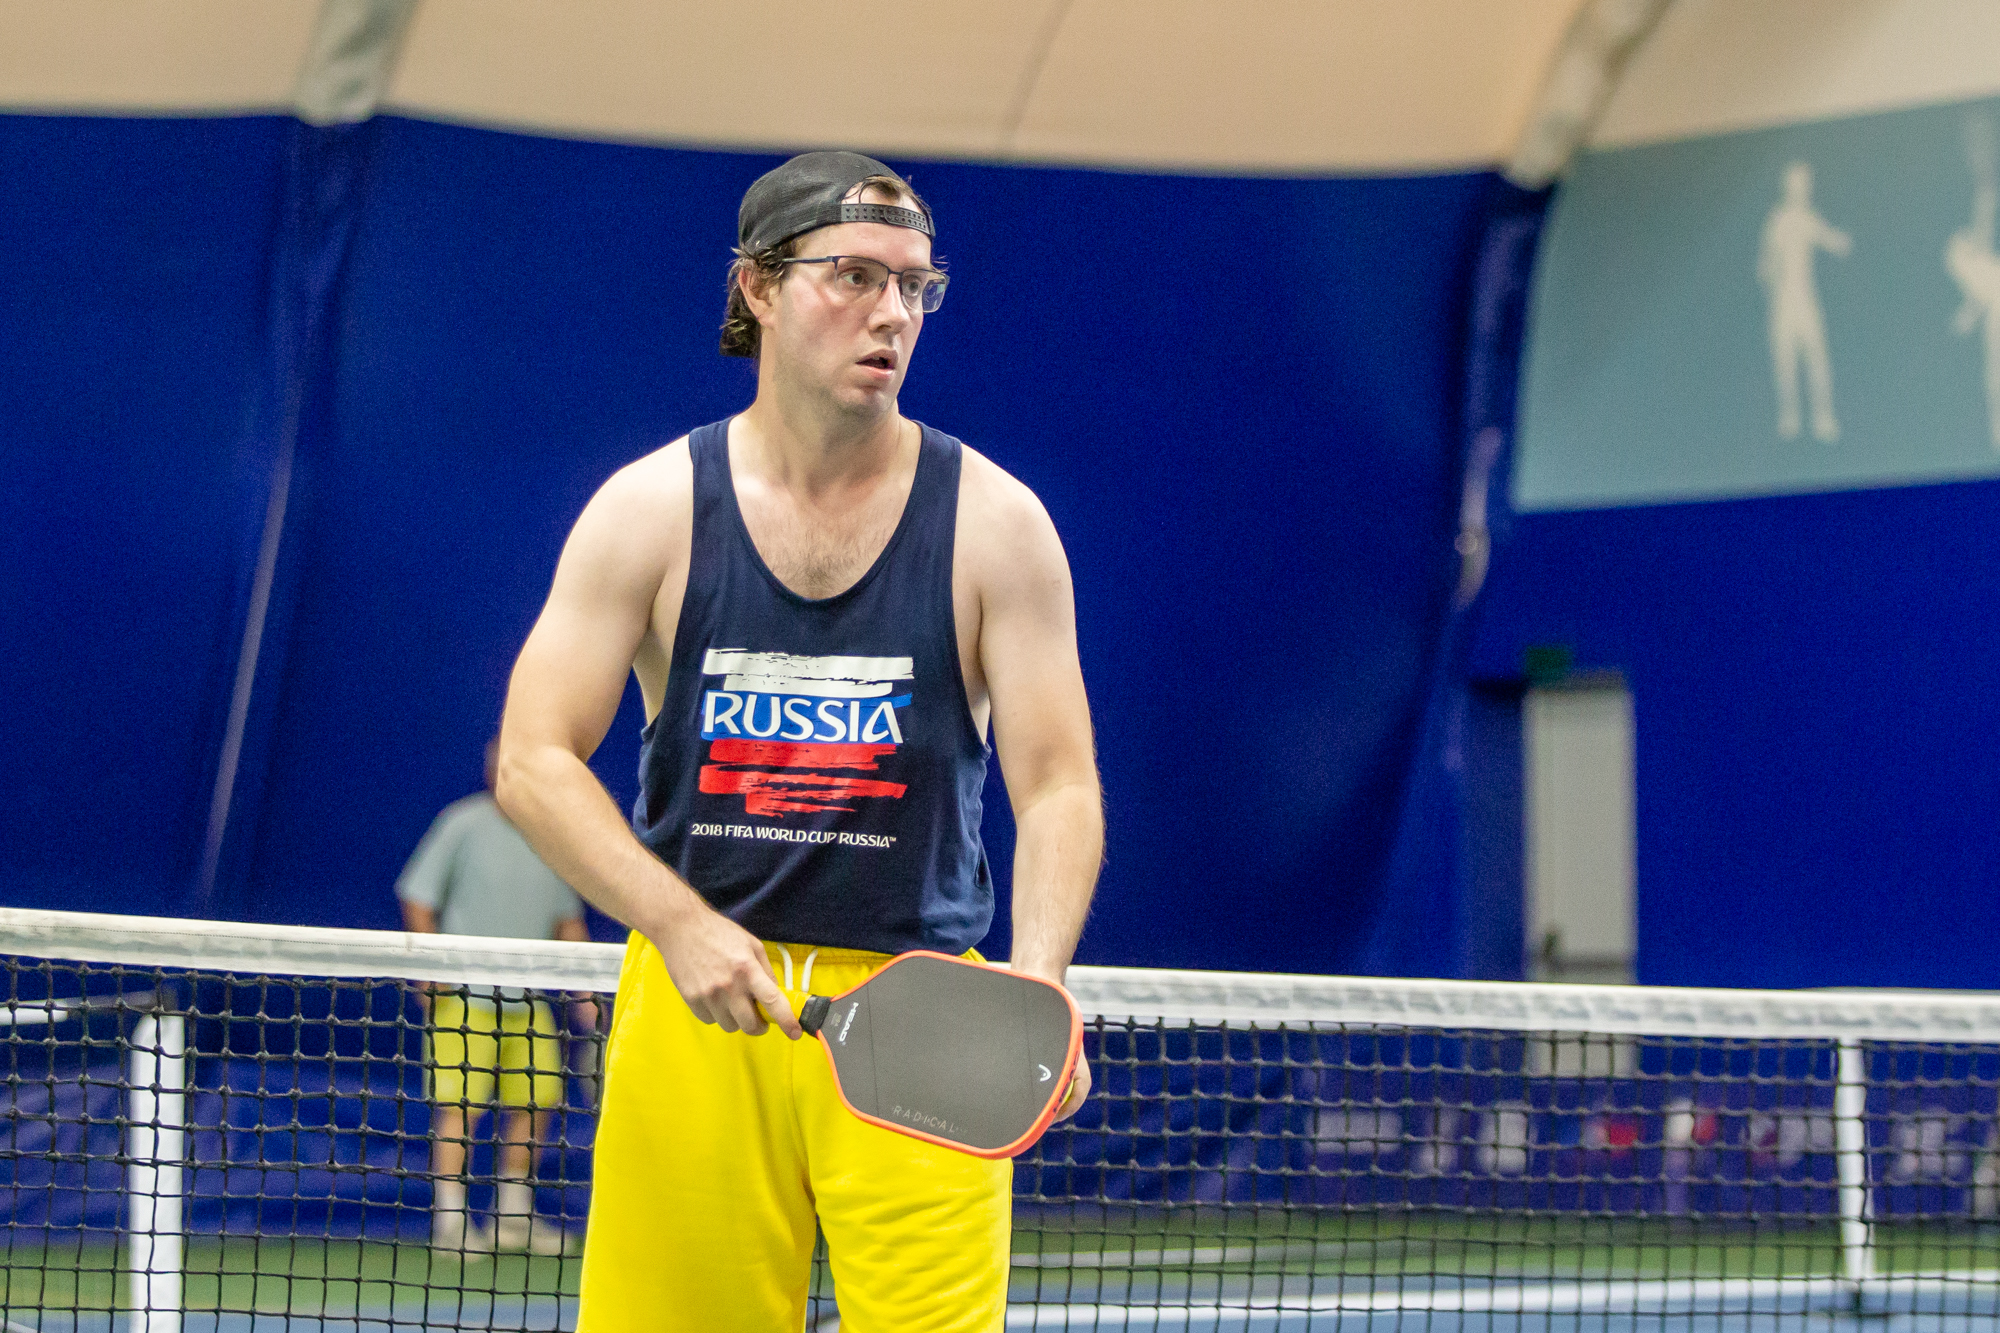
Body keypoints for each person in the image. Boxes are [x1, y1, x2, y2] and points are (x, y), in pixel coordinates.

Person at [495, 151, 1102, 1331]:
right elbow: (530, 759)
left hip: (928, 1024)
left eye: (914, 286)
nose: (891, 313)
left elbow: (1058, 784)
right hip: (697, 1010)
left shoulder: (998, 526)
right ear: (758, 288)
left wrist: (1035, 985)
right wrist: (679, 924)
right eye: (854, 276)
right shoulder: (650, 510)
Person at [397, 739, 597, 1257]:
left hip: (529, 1004)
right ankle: (450, 1222)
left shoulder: (554, 837)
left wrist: (587, 994)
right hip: (464, 1000)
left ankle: (512, 1217)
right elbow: (418, 897)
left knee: (538, 1103)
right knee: (459, 1109)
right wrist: (432, 968)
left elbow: (567, 922)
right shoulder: (461, 823)